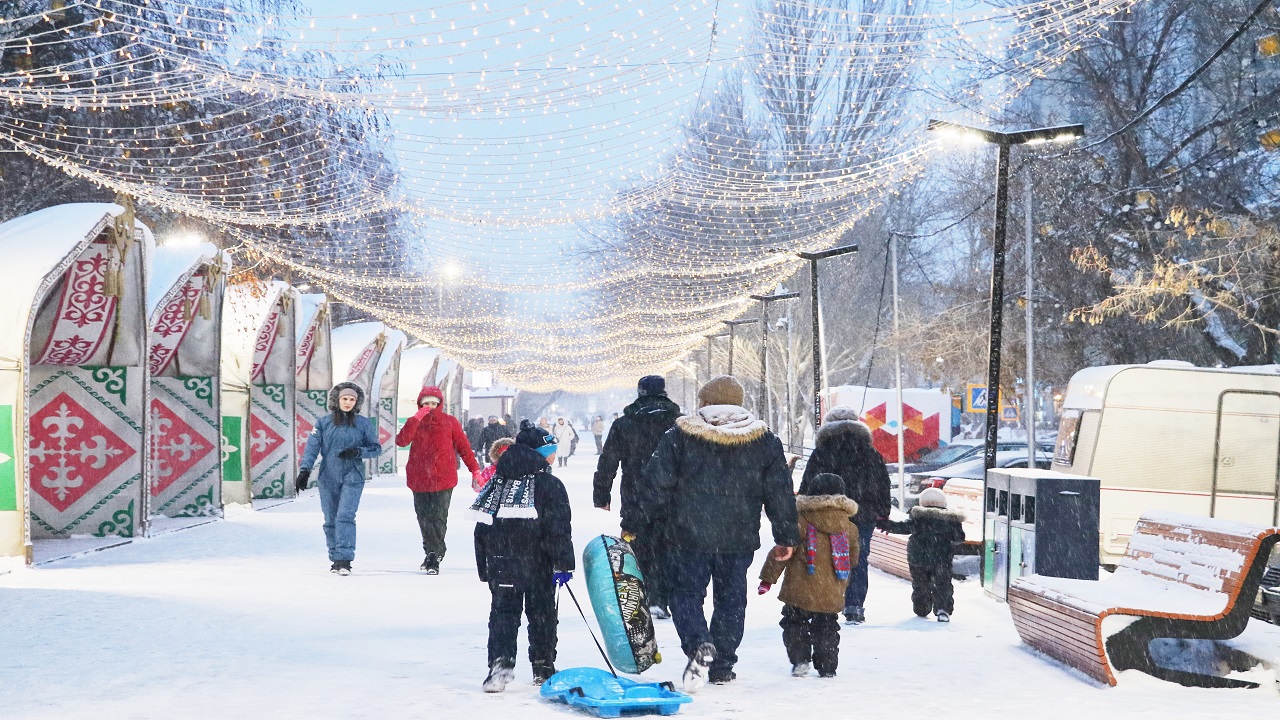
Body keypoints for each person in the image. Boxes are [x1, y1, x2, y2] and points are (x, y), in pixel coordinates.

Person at [627, 375, 798, 692]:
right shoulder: (764, 441)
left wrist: (634, 521)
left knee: (685, 595)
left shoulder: (680, 436)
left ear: (704, 403)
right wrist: (786, 535)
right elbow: (779, 492)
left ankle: (698, 646)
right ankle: (721, 665)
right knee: (731, 601)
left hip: (687, 536)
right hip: (738, 537)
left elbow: (655, 484)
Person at [472, 420, 575, 692]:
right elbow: (559, 529)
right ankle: (543, 667)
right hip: (539, 564)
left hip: (502, 562)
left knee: (504, 614)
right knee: (542, 615)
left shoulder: (498, 482)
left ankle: (500, 664)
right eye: (551, 448)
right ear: (540, 452)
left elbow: (482, 526)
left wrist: (485, 566)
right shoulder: (550, 484)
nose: (554, 453)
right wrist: (563, 563)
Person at [593, 375, 682, 618]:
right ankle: (661, 599)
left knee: (638, 547)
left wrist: (601, 494)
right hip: (672, 496)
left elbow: (608, 461)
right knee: (667, 548)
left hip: (635, 496)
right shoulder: (679, 422)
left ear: (640, 392)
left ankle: (642, 598)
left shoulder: (625, 424)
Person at [757, 473, 858, 678]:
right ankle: (827, 665)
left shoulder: (800, 521)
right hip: (831, 588)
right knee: (827, 626)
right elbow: (853, 558)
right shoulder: (850, 527)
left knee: (794, 623)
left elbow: (783, 551)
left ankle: (801, 660)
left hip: (800, 586)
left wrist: (768, 578)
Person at [801, 406, 892, 626]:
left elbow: (809, 482)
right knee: (857, 560)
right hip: (863, 515)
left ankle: (825, 603)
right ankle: (854, 607)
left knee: (824, 558)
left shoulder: (822, 452)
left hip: (827, 513)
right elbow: (883, 483)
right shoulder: (870, 452)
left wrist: (803, 508)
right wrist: (883, 512)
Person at [296, 382, 383, 575]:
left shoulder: (363, 424)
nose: (348, 402)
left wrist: (358, 451)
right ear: (337, 400)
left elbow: (376, 448)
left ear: (356, 402)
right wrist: (305, 470)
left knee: (345, 516)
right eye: (345, 399)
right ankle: (335, 558)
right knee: (330, 519)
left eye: (352, 400)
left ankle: (345, 559)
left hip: (353, 475)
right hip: (328, 475)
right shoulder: (323, 423)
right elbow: (312, 447)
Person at [395, 386, 482, 574]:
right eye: (426, 403)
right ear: (420, 404)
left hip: (444, 478)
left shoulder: (450, 422)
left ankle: (434, 554)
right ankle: (433, 551)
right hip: (419, 478)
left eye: (434, 403)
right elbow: (401, 441)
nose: (430, 407)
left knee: (438, 517)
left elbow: (464, 448)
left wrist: (475, 470)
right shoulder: (414, 422)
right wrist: (415, 420)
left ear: (440, 404)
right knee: (424, 518)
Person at [878, 487, 965, 622]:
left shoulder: (918, 517)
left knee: (920, 584)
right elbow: (959, 538)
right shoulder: (951, 520)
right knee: (943, 584)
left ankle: (922, 607)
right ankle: (943, 609)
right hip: (941, 558)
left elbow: (903, 527)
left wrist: (886, 525)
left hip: (918, 558)